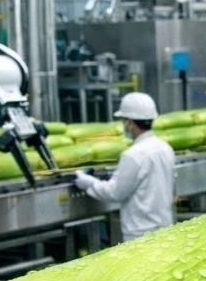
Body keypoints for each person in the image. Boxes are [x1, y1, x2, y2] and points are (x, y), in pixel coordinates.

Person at [73, 92, 176, 242]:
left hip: (140, 235)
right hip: (164, 229)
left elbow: (115, 193)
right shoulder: (165, 148)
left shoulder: (133, 155)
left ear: (130, 122)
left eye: (124, 121)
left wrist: (88, 183)